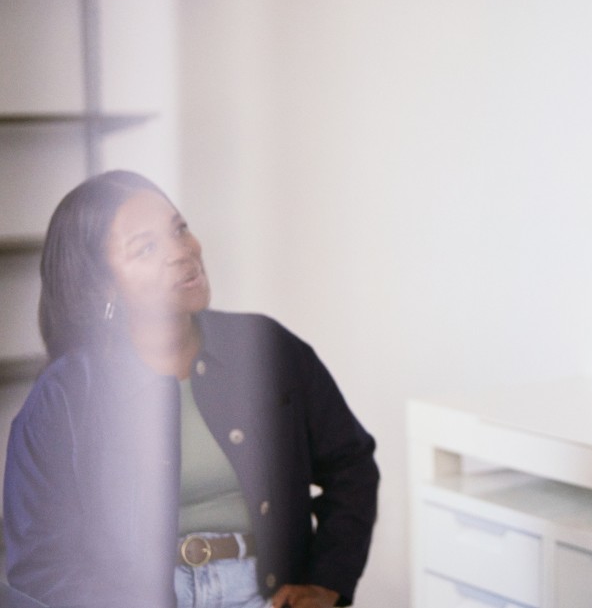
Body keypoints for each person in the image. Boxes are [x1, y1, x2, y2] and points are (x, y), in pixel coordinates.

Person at [3, 171, 378, 608]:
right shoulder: (64, 397)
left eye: (179, 229)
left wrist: (327, 582)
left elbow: (351, 467)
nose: (181, 252)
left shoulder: (266, 348)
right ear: (104, 284)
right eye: (146, 247)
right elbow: (41, 562)